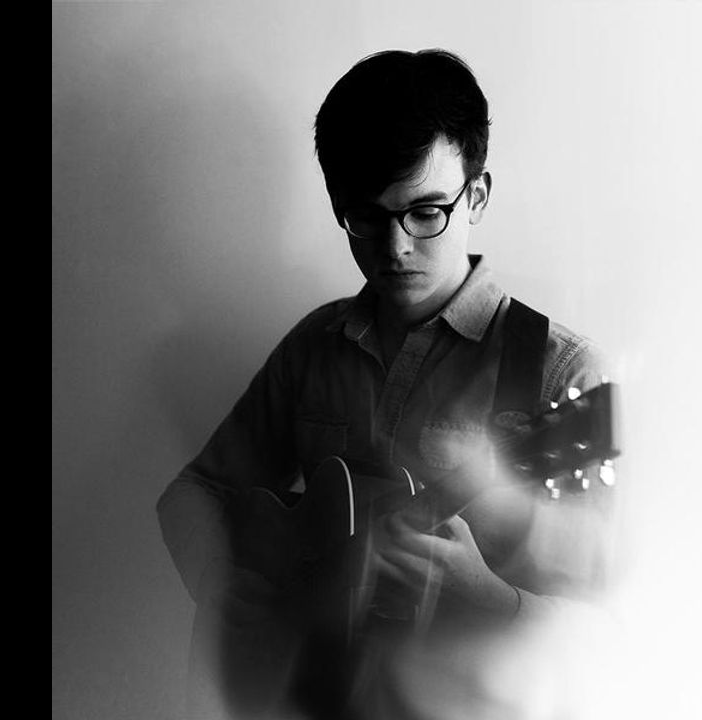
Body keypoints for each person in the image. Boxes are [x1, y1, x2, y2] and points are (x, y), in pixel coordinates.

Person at [158, 48, 615, 720]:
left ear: (477, 195)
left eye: (425, 212)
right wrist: (223, 585)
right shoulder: (316, 345)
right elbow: (193, 491)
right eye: (367, 216)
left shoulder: (565, 374)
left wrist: (489, 596)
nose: (394, 247)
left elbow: (608, 631)